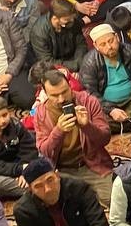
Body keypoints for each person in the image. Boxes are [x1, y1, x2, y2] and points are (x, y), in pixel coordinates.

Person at [33, 68, 116, 206]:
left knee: (114, 200)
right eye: (54, 95)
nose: (61, 99)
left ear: (70, 86)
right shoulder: (41, 113)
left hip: (91, 165)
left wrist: (87, 126)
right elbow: (45, 151)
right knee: (60, 206)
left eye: (64, 92)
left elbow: (105, 139)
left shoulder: (88, 101)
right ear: (45, 94)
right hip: (62, 170)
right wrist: (58, 131)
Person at [78, 23, 131, 130]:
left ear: (117, 37)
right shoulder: (89, 62)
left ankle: (130, 122)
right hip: (106, 107)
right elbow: (90, 93)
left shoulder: (130, 51)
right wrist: (111, 110)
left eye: (111, 41)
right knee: (94, 121)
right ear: (96, 46)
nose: (109, 47)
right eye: (103, 44)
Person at [29, 0, 87, 72]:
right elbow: (47, 61)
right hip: (53, 66)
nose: (72, 21)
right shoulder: (38, 32)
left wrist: (79, 61)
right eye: (67, 20)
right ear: (55, 18)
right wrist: (74, 66)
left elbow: (81, 44)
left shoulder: (72, 21)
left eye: (72, 18)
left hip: (73, 58)